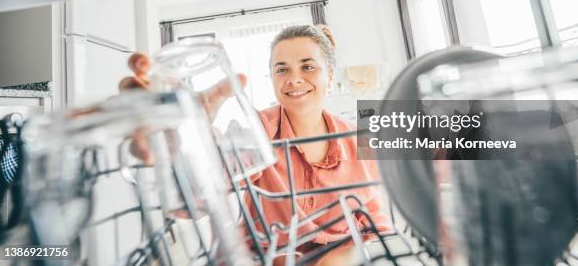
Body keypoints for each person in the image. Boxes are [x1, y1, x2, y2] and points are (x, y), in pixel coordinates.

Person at [121, 25, 390, 265]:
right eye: (282, 69)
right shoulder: (255, 131)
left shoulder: (359, 141)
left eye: (308, 66)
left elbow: (376, 223)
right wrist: (182, 145)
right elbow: (195, 201)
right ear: (271, 78)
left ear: (330, 76)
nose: (294, 79)